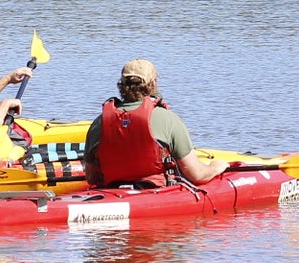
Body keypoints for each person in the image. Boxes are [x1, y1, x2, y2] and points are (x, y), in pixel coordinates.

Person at [82, 59, 226, 188]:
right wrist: (216, 166)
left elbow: (91, 178)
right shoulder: (167, 119)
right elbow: (197, 175)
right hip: (154, 193)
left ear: (121, 85)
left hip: (113, 192)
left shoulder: (99, 123)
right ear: (152, 84)